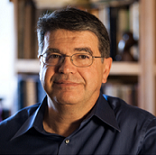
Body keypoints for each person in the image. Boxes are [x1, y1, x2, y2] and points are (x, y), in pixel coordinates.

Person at [0, 7, 156, 155]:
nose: (66, 68)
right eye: (54, 56)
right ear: (41, 65)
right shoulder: (5, 137)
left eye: (82, 56)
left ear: (105, 69)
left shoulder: (144, 134)